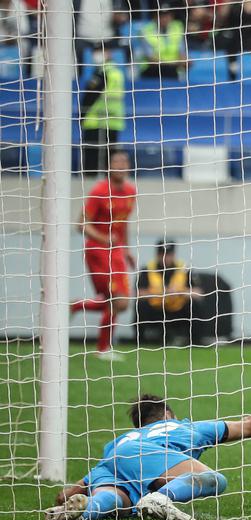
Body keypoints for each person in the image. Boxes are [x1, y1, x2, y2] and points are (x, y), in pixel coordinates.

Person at [44, 387, 251, 520]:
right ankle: (160, 499)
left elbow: (74, 488)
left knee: (113, 500)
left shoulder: (122, 440)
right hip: (149, 457)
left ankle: (83, 509)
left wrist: (66, 496)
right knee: (214, 479)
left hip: (113, 462)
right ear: (167, 415)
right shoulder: (182, 427)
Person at [71, 150, 136, 361]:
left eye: (124, 161)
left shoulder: (131, 191)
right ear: (109, 167)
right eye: (116, 162)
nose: (121, 165)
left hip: (116, 252)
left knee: (121, 302)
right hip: (97, 251)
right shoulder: (99, 191)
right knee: (117, 299)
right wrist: (103, 238)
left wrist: (127, 250)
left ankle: (76, 306)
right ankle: (103, 349)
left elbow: (123, 223)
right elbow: (81, 224)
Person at [135, 240, 207, 346]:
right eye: (162, 254)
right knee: (141, 305)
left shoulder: (184, 269)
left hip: (178, 309)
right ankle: (140, 340)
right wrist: (162, 292)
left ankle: (195, 341)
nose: (165, 258)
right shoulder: (147, 270)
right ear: (157, 255)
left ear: (173, 255)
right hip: (156, 309)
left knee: (195, 304)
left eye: (168, 254)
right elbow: (138, 294)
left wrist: (180, 292)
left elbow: (199, 293)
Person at [79, 41, 125, 175]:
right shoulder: (117, 73)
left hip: (96, 121)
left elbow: (90, 97)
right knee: (110, 161)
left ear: (108, 53)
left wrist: (82, 116)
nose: (96, 55)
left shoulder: (102, 73)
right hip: (114, 121)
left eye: (99, 51)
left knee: (92, 162)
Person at [140, 5, 188, 79]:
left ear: (172, 17)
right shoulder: (146, 31)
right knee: (168, 70)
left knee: (187, 64)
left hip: (174, 68)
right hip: (151, 68)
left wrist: (184, 60)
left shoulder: (177, 27)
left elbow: (182, 52)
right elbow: (150, 58)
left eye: (167, 16)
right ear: (155, 17)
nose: (164, 19)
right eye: (161, 16)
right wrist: (172, 64)